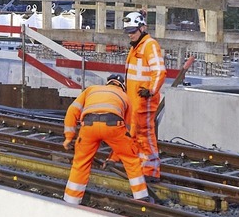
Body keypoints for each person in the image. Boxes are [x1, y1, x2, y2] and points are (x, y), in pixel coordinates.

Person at [61, 74, 149, 205]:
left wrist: (69, 138)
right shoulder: (125, 97)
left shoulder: (91, 90)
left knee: (81, 163)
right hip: (114, 125)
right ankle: (141, 197)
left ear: (107, 83)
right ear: (122, 86)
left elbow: (72, 111)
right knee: (131, 161)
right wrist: (113, 158)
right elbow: (129, 132)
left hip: (88, 126)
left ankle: (71, 200)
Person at [122, 11, 167, 188]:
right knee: (136, 135)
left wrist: (151, 90)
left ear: (142, 28)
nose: (130, 34)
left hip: (144, 100)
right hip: (134, 100)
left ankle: (151, 171)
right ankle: (141, 168)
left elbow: (159, 70)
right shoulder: (136, 46)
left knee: (145, 135)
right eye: (128, 31)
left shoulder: (149, 45)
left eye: (133, 31)